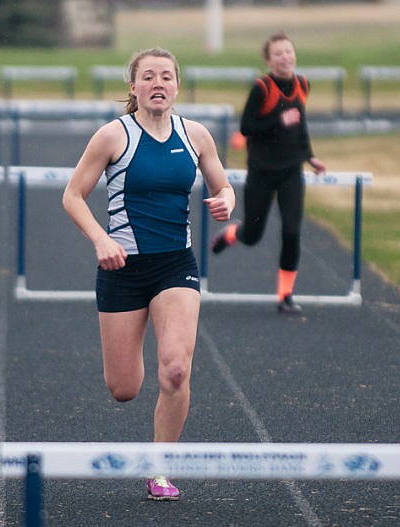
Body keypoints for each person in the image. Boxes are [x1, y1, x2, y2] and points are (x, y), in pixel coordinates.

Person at [62, 48, 234, 501]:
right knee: (124, 388)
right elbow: (73, 195)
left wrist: (226, 201)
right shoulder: (112, 136)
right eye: (148, 77)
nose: (158, 84)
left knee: (176, 370)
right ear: (133, 86)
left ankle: (160, 469)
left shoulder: (195, 135)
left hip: (176, 265)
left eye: (166, 76)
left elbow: (223, 184)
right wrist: (101, 240)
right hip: (122, 268)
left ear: (177, 85)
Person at [210, 32, 326, 314]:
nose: (285, 57)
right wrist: (278, 120)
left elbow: (300, 125)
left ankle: (285, 295)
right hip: (261, 172)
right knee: (253, 235)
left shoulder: (302, 85)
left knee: (291, 230)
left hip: (291, 171)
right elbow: (247, 127)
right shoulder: (262, 88)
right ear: (269, 60)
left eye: (288, 51)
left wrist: (310, 156)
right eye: (278, 54)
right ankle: (232, 234)